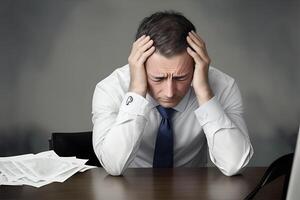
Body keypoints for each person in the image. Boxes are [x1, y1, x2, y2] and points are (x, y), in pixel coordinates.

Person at [92, 11, 253, 176]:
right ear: (140, 66)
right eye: (158, 78)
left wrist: (204, 92)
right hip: (131, 188)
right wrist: (136, 90)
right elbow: (113, 166)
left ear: (196, 66)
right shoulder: (110, 89)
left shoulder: (223, 86)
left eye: (181, 77)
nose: (169, 92)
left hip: (192, 191)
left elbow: (235, 164)